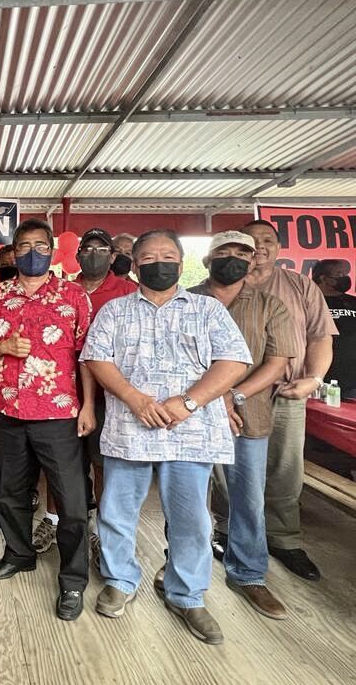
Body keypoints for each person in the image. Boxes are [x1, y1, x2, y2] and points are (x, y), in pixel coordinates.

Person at [81, 229, 252, 645]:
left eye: (169, 256)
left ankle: (187, 594)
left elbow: (234, 361)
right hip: (130, 429)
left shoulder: (207, 310)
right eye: (150, 257)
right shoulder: (115, 311)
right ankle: (121, 579)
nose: (161, 263)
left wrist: (189, 402)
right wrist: (135, 399)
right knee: (117, 512)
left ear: (181, 262)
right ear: (136, 266)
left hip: (191, 432)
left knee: (192, 518)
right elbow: (97, 358)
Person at [0, 218, 95, 622]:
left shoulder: (73, 295)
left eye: (41, 246)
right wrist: (4, 345)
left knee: (72, 502)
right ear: (13, 250)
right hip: (8, 410)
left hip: (59, 414)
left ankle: (73, 579)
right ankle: (20, 554)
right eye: (24, 246)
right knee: (11, 492)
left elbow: (89, 357)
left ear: (53, 249)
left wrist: (89, 406)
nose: (32, 253)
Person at [187, 230, 296, 620]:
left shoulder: (270, 306)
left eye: (242, 253)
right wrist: (214, 398)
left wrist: (234, 395)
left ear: (253, 262)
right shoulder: (186, 301)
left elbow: (277, 362)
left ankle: (249, 574)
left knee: (248, 498)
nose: (233, 258)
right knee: (187, 498)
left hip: (248, 414)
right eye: (224, 252)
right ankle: (180, 566)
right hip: (191, 415)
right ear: (207, 259)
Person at [242, 220, 336, 581]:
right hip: (227, 395)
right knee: (226, 471)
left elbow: (320, 338)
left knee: (284, 468)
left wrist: (313, 379)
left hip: (284, 391)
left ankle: (283, 539)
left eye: (267, 240)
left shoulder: (300, 285)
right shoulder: (225, 283)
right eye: (251, 241)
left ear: (279, 248)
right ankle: (225, 530)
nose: (259, 247)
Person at [37, 229, 136, 568]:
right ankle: (51, 520)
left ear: (113, 256)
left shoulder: (128, 292)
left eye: (101, 249)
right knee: (60, 465)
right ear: (76, 257)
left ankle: (100, 530)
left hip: (113, 398)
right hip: (63, 394)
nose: (93, 254)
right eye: (87, 249)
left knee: (102, 465)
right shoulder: (63, 290)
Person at [312, 259, 356, 397]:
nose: (345, 277)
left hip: (352, 379)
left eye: (345, 273)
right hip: (321, 376)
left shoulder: (353, 302)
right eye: (339, 274)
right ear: (323, 278)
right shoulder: (309, 302)